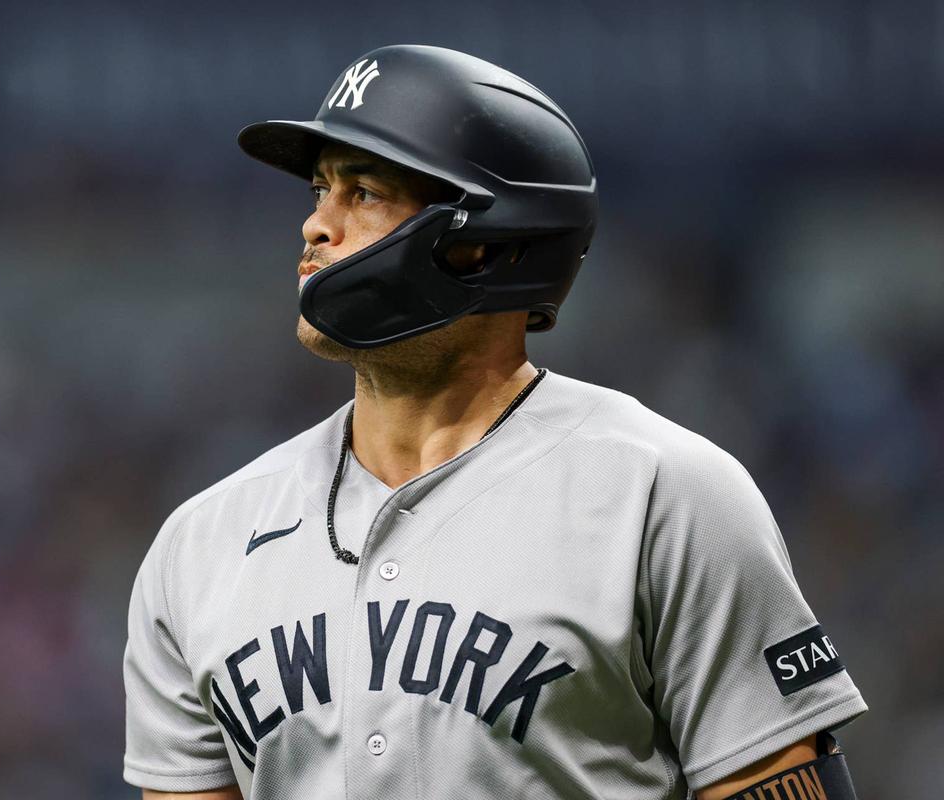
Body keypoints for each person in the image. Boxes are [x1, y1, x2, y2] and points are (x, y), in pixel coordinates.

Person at [123, 45, 866, 800]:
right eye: (321, 189)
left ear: (484, 240)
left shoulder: (665, 495)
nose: (317, 224)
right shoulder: (201, 543)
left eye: (365, 192)